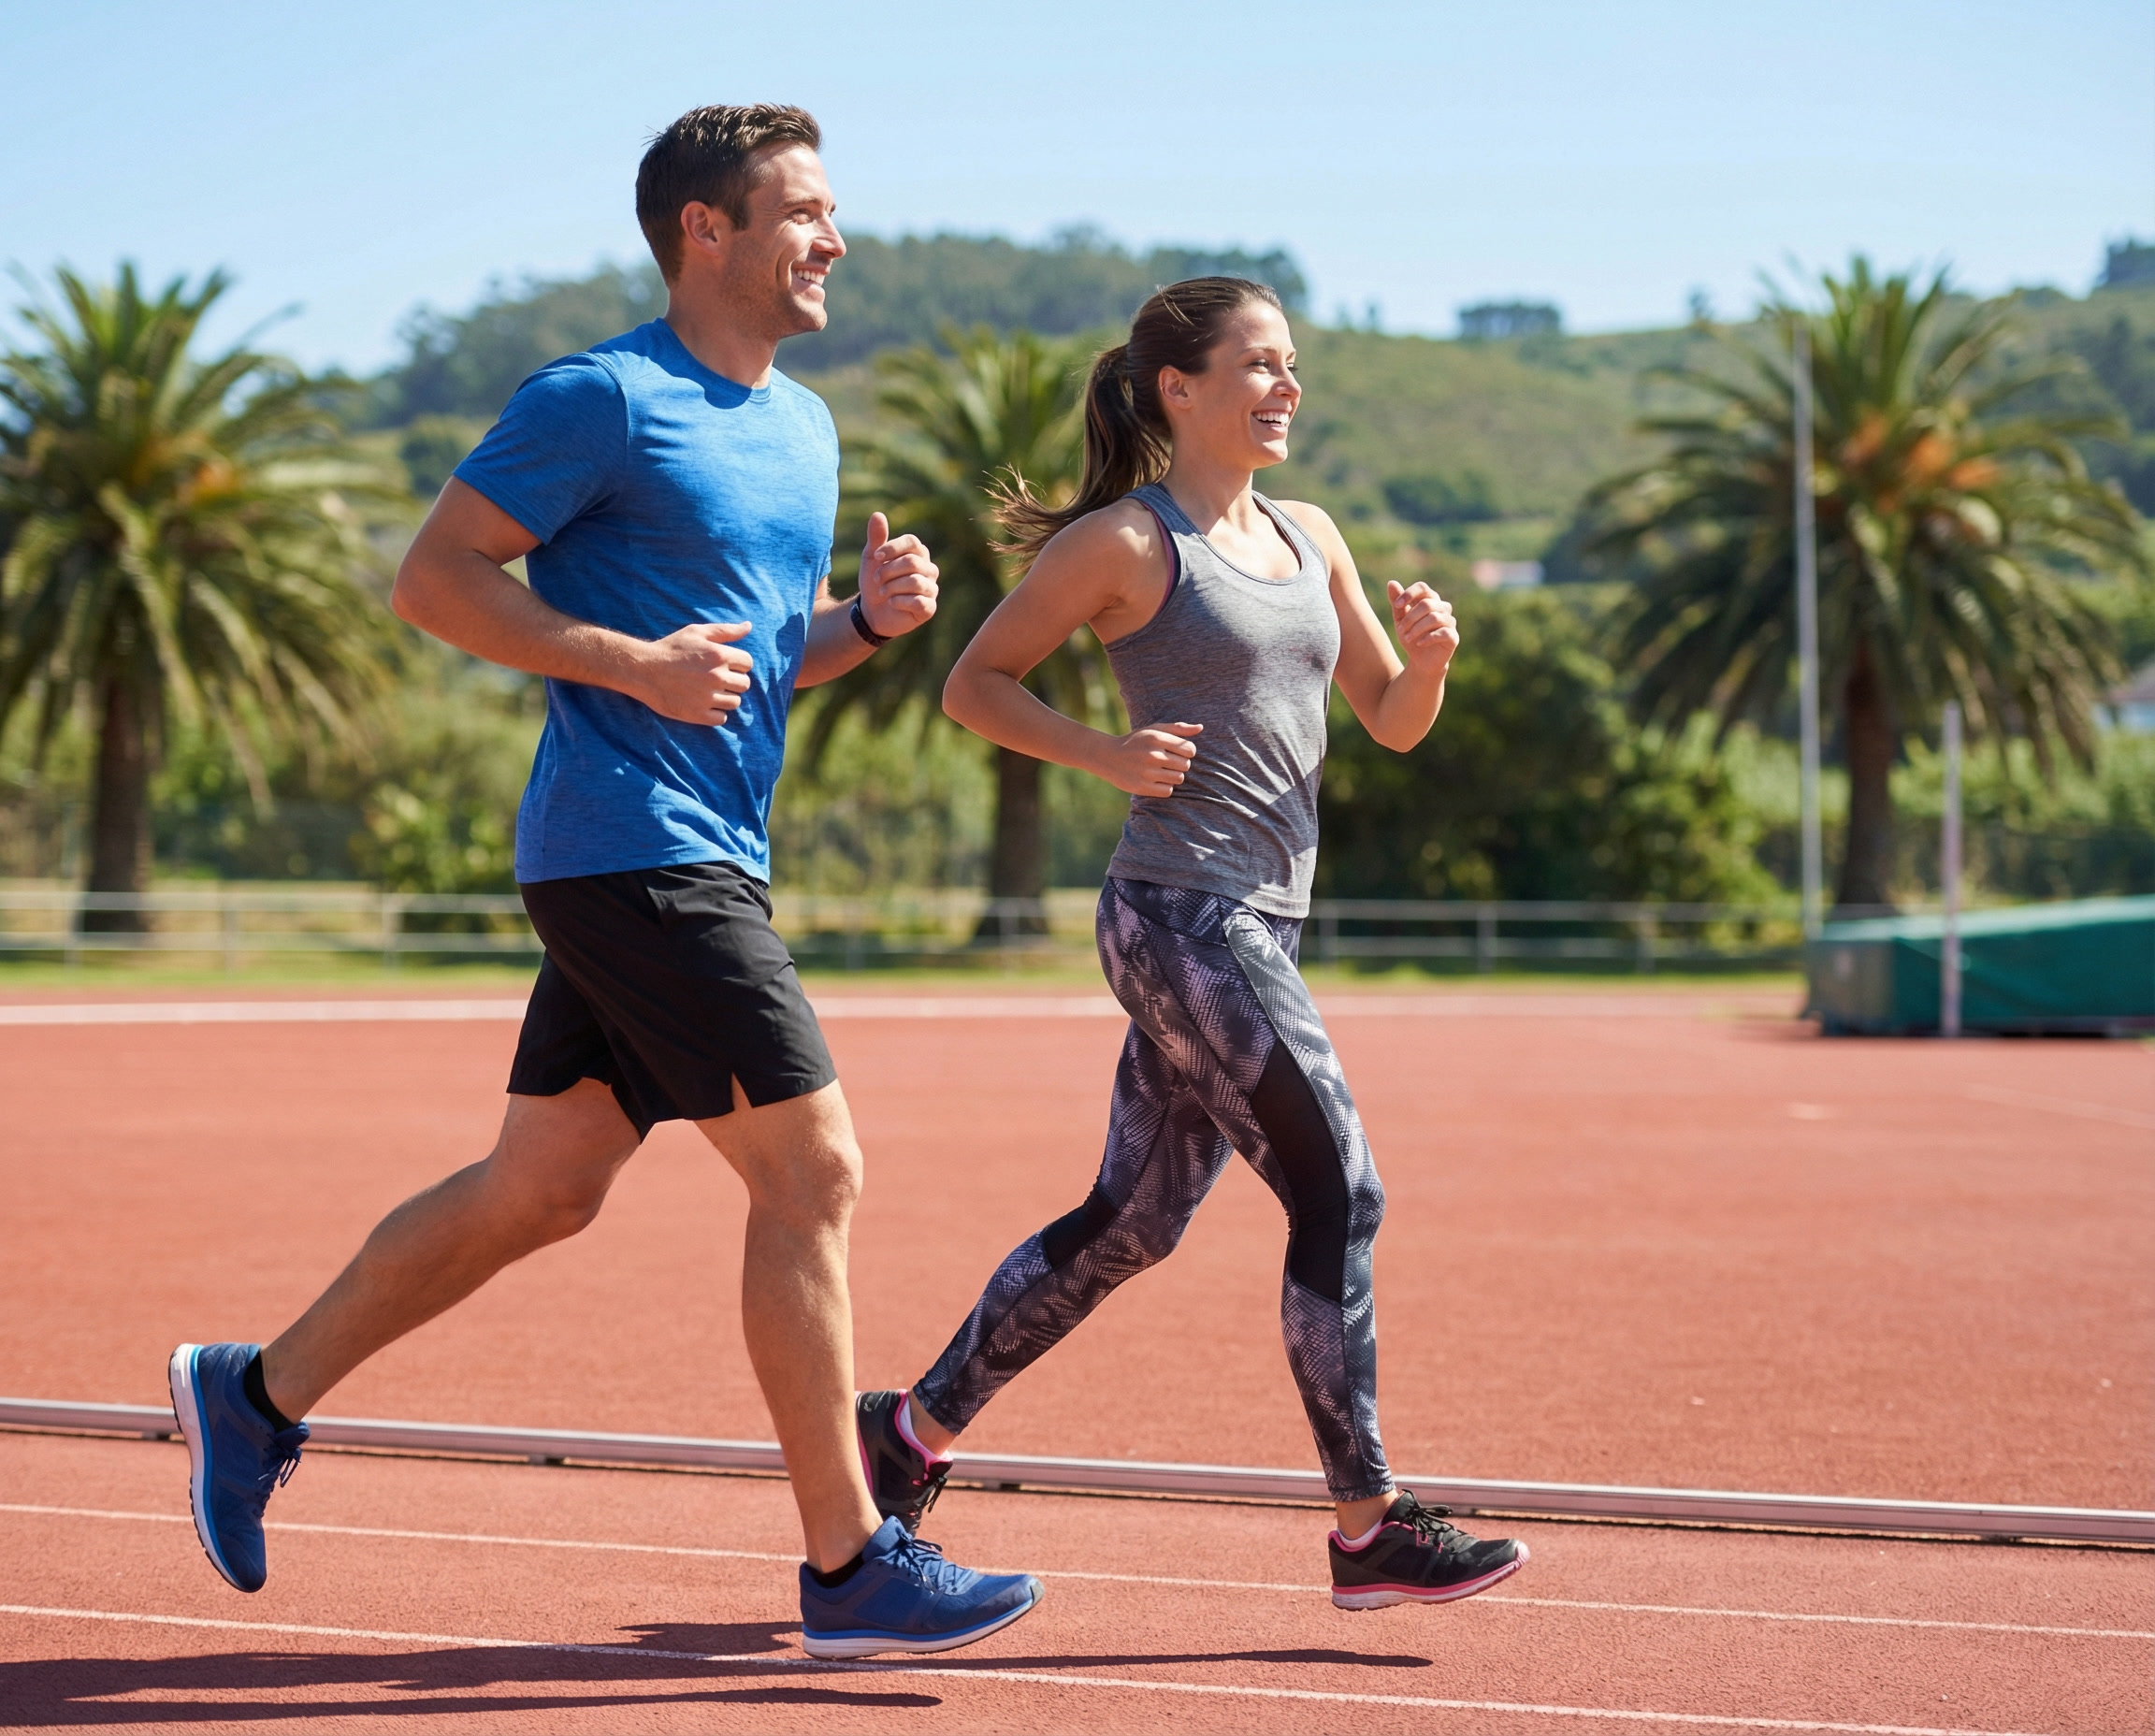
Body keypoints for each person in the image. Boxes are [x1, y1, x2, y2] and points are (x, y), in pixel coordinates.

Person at [166, 103, 1041, 1661]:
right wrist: (620, 661)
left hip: (694, 843)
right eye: (803, 211)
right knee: (814, 1171)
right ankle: (851, 1565)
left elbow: (767, 669)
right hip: (632, 845)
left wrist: (872, 627)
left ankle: (253, 1394)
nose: (835, 238)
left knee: (543, 1187)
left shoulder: (802, 426)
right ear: (706, 229)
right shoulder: (602, 399)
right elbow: (433, 578)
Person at [855, 276, 1528, 1610]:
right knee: (1342, 1192)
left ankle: (908, 1433)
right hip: (1179, 916)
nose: (1286, 389)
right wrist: (1104, 751)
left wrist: (1430, 658)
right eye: (1260, 366)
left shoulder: (1311, 534)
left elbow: (1390, 718)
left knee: (1130, 1226)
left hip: (1258, 924)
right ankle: (1366, 1526)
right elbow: (975, 683)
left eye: (1293, 368)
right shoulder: (1125, 544)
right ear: (1180, 387)